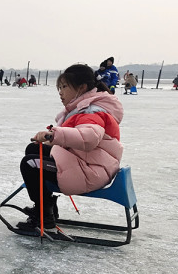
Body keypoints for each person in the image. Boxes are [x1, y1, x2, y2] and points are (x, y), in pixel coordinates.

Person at [16, 63, 123, 232]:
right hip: (86, 162)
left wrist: (53, 135)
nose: (60, 92)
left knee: (30, 164)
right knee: (34, 150)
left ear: (82, 88)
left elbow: (88, 138)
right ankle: (46, 205)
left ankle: (44, 216)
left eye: (64, 87)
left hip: (90, 171)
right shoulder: (86, 108)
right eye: (59, 87)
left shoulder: (91, 112)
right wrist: (51, 139)